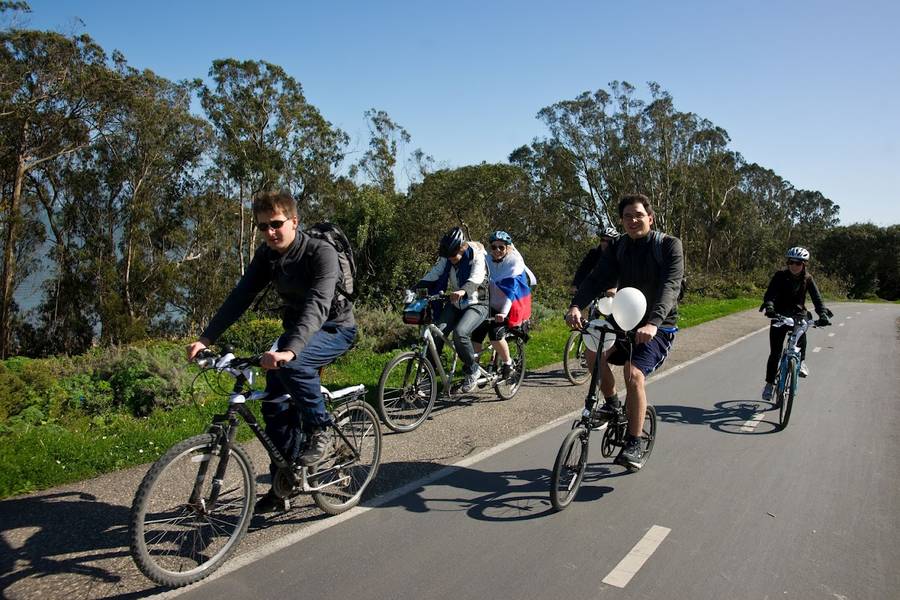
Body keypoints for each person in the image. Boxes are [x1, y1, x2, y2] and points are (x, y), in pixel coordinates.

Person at [186, 190, 357, 514]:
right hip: (296, 333)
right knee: (272, 407)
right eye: (262, 227)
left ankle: (320, 427)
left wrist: (290, 351)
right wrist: (206, 338)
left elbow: (318, 305)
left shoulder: (320, 253)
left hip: (335, 328)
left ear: (294, 221)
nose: (270, 232)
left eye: (276, 224)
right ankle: (286, 482)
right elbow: (241, 296)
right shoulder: (268, 255)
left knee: (290, 368)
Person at [566, 194, 683, 470]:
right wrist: (576, 306)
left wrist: (653, 323)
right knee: (593, 355)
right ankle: (612, 405)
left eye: (638, 215)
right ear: (622, 221)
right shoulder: (619, 247)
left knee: (633, 374)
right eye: (627, 216)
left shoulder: (668, 246)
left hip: (658, 325)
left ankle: (634, 441)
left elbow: (671, 286)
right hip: (623, 318)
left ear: (650, 218)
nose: (633, 220)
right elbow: (597, 278)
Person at [416, 226, 490, 393]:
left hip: (478, 302)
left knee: (460, 333)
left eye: (454, 255)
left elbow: (477, 277)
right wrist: (415, 288)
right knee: (436, 333)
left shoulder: (476, 253)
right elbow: (435, 273)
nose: (451, 259)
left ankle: (473, 369)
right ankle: (429, 377)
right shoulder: (447, 256)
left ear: (462, 247)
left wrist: (464, 290)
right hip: (456, 302)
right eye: (448, 256)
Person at [758, 246, 832, 401]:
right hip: (779, 314)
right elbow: (770, 293)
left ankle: (801, 362)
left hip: (798, 314)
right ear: (788, 262)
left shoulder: (808, 279)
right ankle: (769, 384)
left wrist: (823, 313)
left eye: (798, 263)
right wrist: (770, 306)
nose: (794, 265)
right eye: (791, 262)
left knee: (802, 333)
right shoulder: (780, 276)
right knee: (775, 353)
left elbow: (817, 299)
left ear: (804, 264)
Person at [475, 231, 536, 377]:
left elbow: (510, 291)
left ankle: (508, 363)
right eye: (494, 247)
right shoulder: (487, 260)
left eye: (501, 247)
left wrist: (503, 312)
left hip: (511, 304)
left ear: (508, 248)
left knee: (495, 335)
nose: (497, 251)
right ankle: (474, 369)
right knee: (475, 332)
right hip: (493, 301)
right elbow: (482, 283)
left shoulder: (514, 262)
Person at [570, 226, 620, 294]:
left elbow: (623, 275)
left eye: (609, 241)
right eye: (603, 240)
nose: (605, 243)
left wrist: (616, 288)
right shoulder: (594, 253)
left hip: (614, 292)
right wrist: (575, 285)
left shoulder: (619, 255)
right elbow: (583, 270)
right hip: (595, 291)